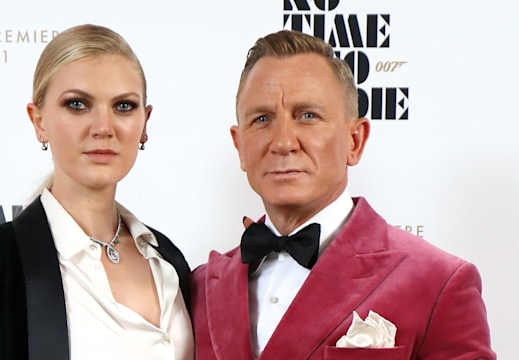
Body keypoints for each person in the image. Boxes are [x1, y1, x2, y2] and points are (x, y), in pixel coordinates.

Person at [190, 30, 495, 359]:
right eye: (262, 119)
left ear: (355, 140)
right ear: (240, 147)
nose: (283, 142)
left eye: (308, 116)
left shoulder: (439, 283)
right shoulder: (199, 288)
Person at [0, 24, 193, 360]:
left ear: (145, 122)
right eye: (78, 104)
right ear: (39, 120)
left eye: (124, 106)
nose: (103, 127)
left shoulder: (169, 259)